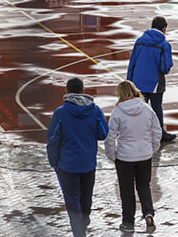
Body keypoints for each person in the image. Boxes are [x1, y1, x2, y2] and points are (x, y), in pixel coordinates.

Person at [46, 77, 108, 237]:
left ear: (66, 91)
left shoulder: (60, 113)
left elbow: (53, 139)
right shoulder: (95, 110)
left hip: (67, 165)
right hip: (88, 163)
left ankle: (78, 231)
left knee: (72, 199)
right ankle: (84, 219)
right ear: (84, 90)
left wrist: (53, 161)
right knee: (86, 197)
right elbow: (103, 133)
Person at [104, 80, 159, 234]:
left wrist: (112, 154)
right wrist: (152, 149)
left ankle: (128, 221)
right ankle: (148, 213)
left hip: (125, 157)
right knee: (144, 186)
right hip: (144, 155)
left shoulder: (118, 111)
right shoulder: (146, 109)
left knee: (126, 190)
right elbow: (157, 131)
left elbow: (110, 137)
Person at [127, 16, 177, 143]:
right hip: (155, 82)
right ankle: (159, 134)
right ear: (164, 28)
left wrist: (130, 81)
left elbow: (132, 62)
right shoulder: (164, 44)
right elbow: (165, 67)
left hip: (137, 81)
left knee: (138, 108)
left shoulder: (139, 41)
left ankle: (137, 133)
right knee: (156, 108)